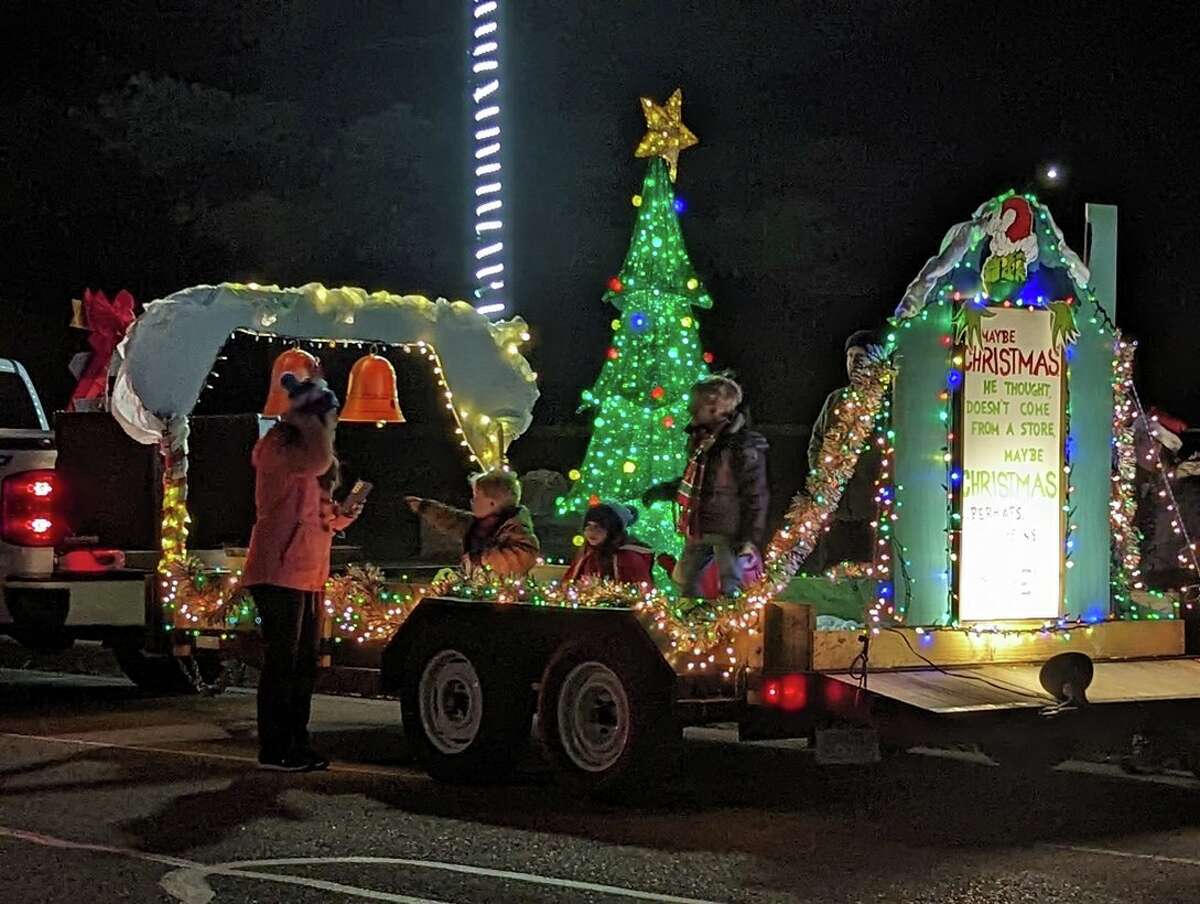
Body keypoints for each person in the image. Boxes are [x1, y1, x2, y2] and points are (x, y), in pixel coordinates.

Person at [243, 373, 363, 772]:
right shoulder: (276, 448)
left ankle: (297, 741)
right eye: (329, 415)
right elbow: (319, 460)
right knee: (283, 661)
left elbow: (318, 514)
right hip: (277, 569)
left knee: (304, 663)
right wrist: (312, 418)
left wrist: (342, 517)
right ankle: (275, 746)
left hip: (308, 571)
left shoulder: (306, 455)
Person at [643, 374, 769, 596]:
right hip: (699, 524)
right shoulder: (701, 442)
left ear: (715, 409)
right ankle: (693, 620)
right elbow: (692, 482)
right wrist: (664, 491)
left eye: (697, 406)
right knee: (687, 581)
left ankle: (731, 624)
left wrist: (750, 536)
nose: (691, 411)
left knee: (730, 583)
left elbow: (755, 493)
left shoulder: (740, 446)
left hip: (727, 527)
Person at [803, 329, 885, 572]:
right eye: (849, 357)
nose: (853, 363)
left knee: (866, 571)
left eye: (860, 357)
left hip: (870, 509)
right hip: (836, 507)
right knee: (832, 570)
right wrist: (822, 476)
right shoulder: (836, 399)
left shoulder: (885, 402)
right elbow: (816, 441)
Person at [405, 470, 539, 577]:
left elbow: (521, 557)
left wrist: (482, 559)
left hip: (504, 595)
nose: (472, 501)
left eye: (476, 497)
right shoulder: (478, 526)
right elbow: (452, 520)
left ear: (492, 503)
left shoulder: (516, 530)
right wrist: (426, 508)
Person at [563, 501, 654, 585]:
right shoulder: (587, 553)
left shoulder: (628, 557)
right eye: (588, 526)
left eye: (599, 527)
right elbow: (568, 583)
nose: (592, 531)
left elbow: (638, 592)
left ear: (612, 530)